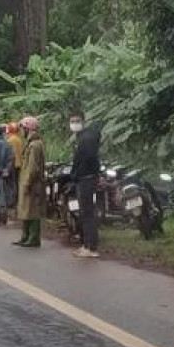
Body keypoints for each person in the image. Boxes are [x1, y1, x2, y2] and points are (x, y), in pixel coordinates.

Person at [70, 110, 101, 258]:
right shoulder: (83, 137)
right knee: (85, 213)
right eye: (72, 121)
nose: (74, 124)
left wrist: (76, 174)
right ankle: (86, 245)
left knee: (87, 213)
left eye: (77, 121)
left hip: (86, 179)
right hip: (86, 178)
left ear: (83, 121)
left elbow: (86, 159)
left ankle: (91, 247)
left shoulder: (86, 138)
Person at [14, 116, 46, 248]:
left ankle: (33, 238)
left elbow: (33, 167)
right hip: (27, 180)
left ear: (28, 128)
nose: (21, 131)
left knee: (32, 210)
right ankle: (25, 236)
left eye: (23, 128)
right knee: (25, 210)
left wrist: (27, 182)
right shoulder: (31, 143)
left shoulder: (35, 145)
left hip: (32, 182)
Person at [6, 122, 23, 207]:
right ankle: (17, 200)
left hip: (12, 164)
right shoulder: (18, 139)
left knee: (11, 183)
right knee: (16, 182)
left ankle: (12, 201)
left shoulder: (10, 140)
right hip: (19, 164)